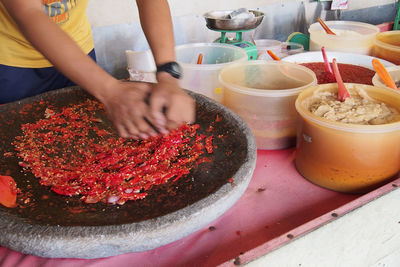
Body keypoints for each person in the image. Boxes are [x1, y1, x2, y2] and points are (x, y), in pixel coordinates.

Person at [0, 0, 195, 139]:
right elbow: (27, 12)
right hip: (11, 64)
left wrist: (168, 73)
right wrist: (110, 90)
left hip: (79, 55)